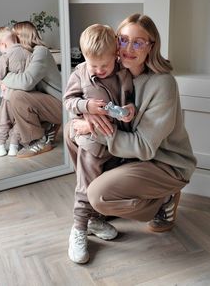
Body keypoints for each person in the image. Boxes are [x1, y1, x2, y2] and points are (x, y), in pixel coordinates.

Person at [65, 13, 197, 264]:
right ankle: (91, 216)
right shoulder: (113, 73)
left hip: (163, 162)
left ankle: (162, 201)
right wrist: (84, 116)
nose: (128, 48)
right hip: (130, 157)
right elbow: (78, 103)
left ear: (151, 47)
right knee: (74, 135)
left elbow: (145, 147)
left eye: (138, 42)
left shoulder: (163, 84)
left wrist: (94, 129)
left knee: (99, 195)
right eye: (124, 40)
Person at [63, 24, 135, 264]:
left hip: (116, 142)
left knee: (105, 185)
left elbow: (132, 101)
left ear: (116, 53)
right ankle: (79, 229)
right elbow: (69, 101)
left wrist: (128, 110)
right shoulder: (81, 73)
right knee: (86, 185)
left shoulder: (124, 74)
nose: (100, 70)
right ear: (85, 58)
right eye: (94, 65)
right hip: (92, 143)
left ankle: (95, 220)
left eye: (105, 64)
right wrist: (86, 107)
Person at [0, 21, 62, 158]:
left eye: (14, 36)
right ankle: (45, 128)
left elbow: (26, 82)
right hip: (40, 102)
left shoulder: (41, 51)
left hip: (59, 104)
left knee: (18, 96)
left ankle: (39, 141)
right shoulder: (24, 54)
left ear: (21, 36)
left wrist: (4, 78)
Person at [0, 26, 32, 157]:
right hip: (25, 95)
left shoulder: (6, 55)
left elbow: (0, 74)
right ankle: (13, 146)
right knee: (19, 120)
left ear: (3, 44)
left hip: (9, 96)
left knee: (5, 120)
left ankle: (0, 145)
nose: (0, 50)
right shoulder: (28, 53)